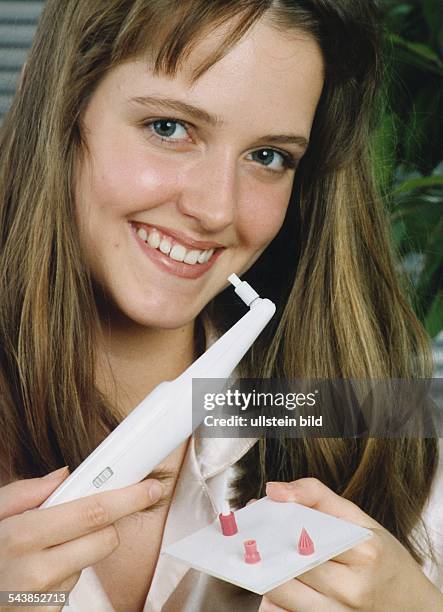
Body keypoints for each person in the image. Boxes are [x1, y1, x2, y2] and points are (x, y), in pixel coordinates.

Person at [0, 1, 442, 611]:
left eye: (268, 157)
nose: (216, 209)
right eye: (169, 128)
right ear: (54, 105)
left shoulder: (360, 419)